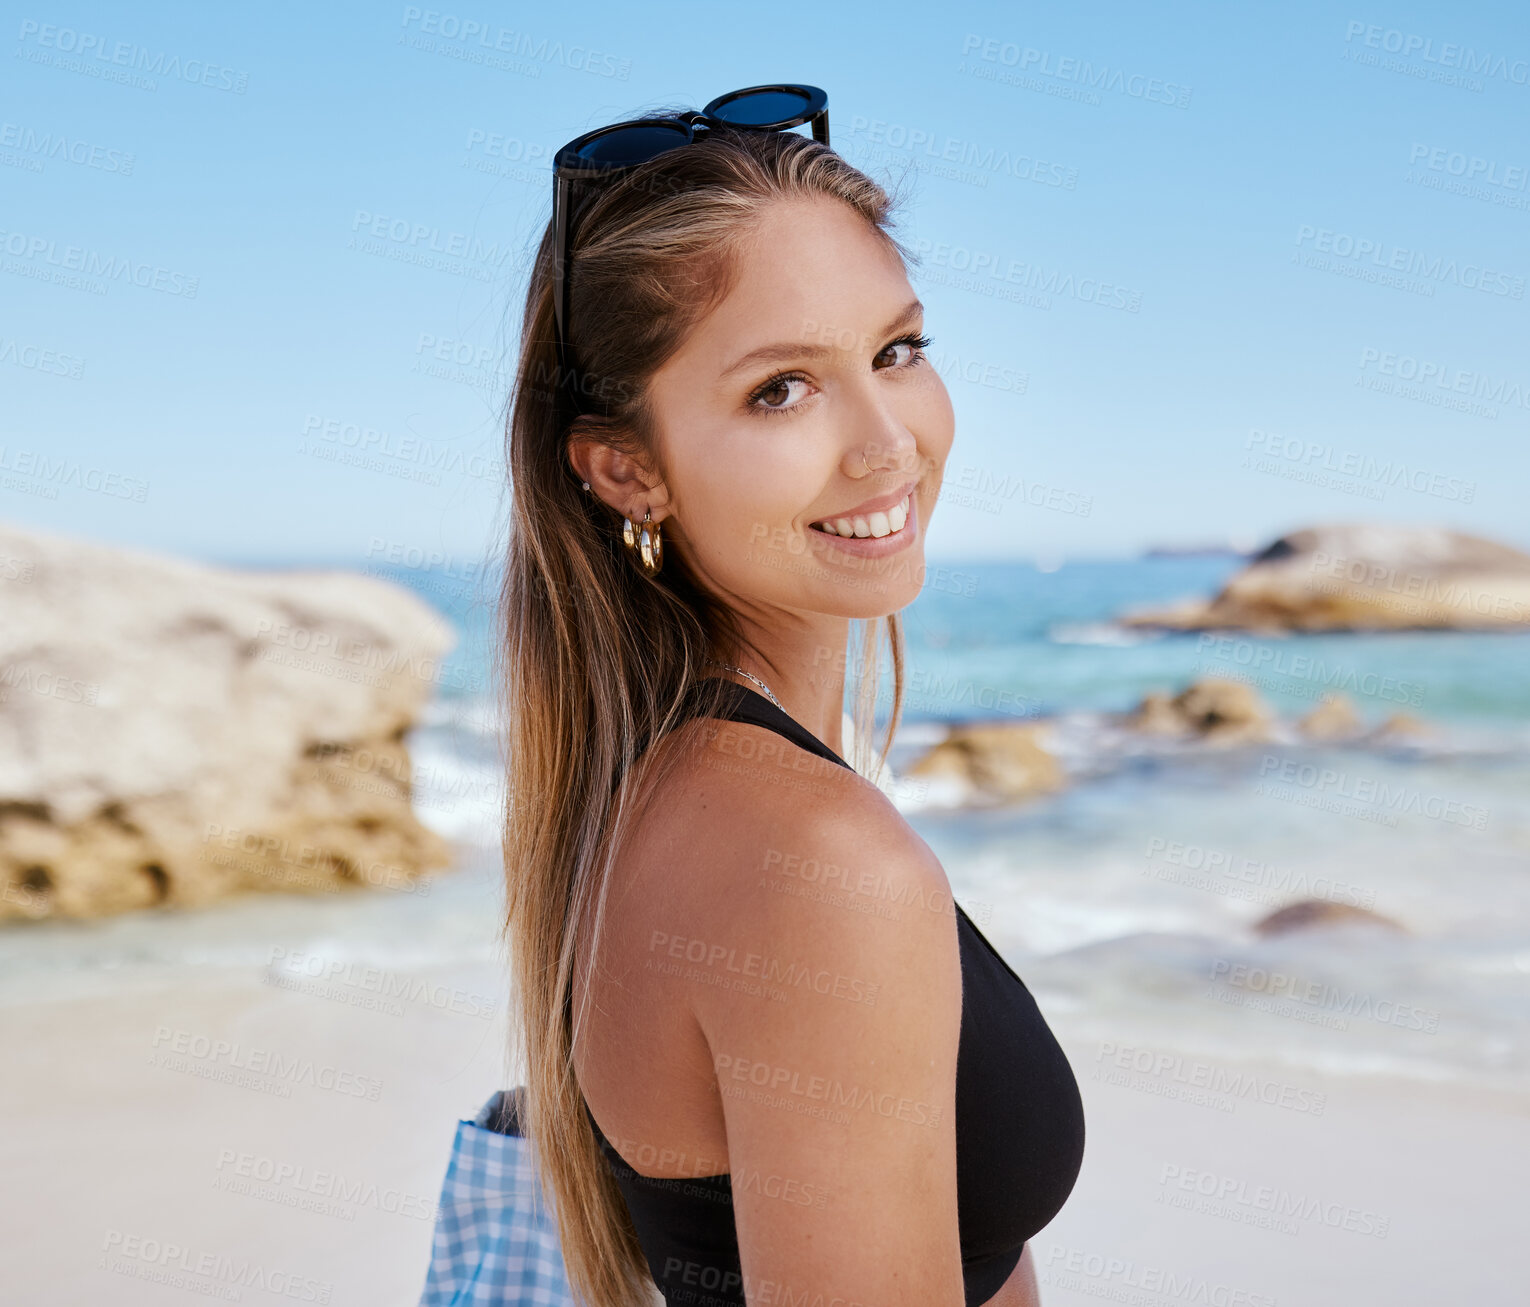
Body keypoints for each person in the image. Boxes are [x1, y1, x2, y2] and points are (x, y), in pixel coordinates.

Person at [497, 99, 1084, 1307]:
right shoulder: (811, 861)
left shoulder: (662, 781)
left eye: (896, 352)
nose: (887, 446)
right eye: (781, 389)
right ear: (629, 468)